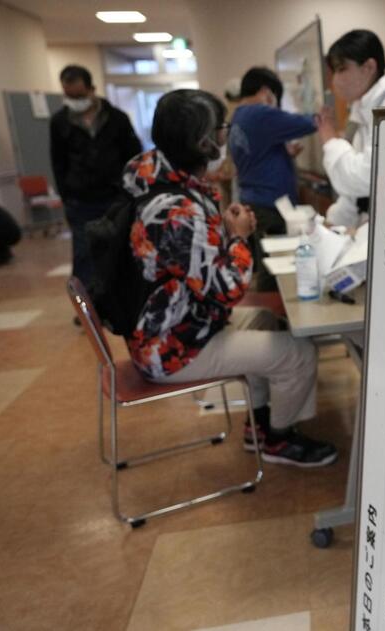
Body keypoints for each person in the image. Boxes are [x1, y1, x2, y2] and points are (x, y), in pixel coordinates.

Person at [124, 89, 336, 468]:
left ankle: (260, 426)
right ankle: (278, 438)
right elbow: (227, 290)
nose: (227, 136)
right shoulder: (176, 208)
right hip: (173, 347)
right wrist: (238, 238)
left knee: (268, 322)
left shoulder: (163, 182)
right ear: (202, 141)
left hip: (177, 324)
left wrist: (221, 230)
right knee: (299, 353)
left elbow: (192, 260)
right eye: (221, 128)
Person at [50, 65, 142, 293]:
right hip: (80, 200)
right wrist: (67, 195)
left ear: (92, 89)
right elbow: (58, 162)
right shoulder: (59, 122)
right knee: (84, 254)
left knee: (121, 248)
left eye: (79, 95)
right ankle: (88, 307)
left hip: (114, 196)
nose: (75, 100)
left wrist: (130, 190)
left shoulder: (116, 118)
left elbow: (133, 155)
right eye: (69, 96)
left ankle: (122, 301)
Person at [228, 67, 317, 290]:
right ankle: (276, 321)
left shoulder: (238, 117)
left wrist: (284, 154)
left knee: (267, 267)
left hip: (255, 201)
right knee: (277, 273)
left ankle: (273, 318)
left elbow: (256, 154)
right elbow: (308, 123)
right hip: (271, 207)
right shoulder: (260, 113)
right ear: (267, 92)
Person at [317, 30, 385, 228]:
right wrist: (332, 223)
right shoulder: (367, 109)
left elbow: (363, 178)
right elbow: (356, 197)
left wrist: (330, 140)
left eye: (342, 69)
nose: (335, 80)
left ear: (369, 67)